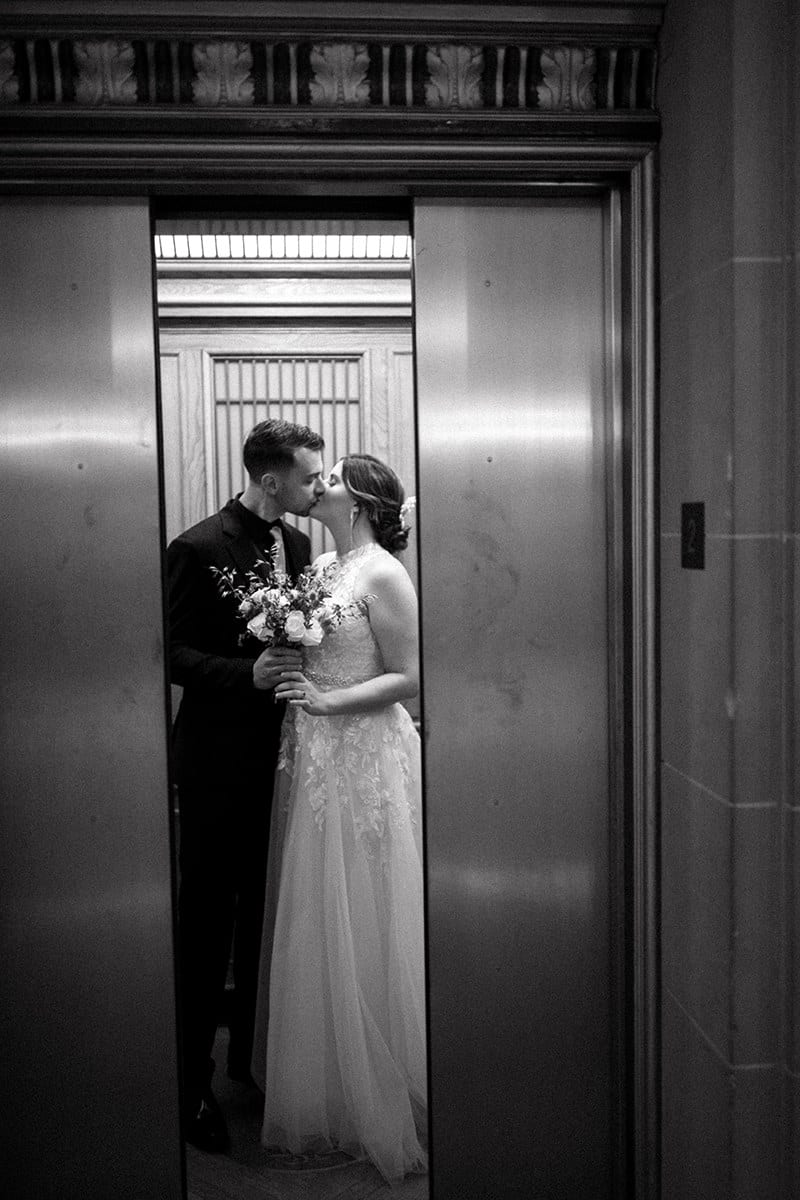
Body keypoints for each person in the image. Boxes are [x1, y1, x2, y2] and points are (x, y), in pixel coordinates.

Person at [251, 453, 427, 1183]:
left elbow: (412, 676)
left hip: (365, 757)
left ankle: (387, 1088)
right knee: (321, 912)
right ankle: (329, 1084)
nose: (317, 482)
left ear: (357, 500)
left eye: (331, 478)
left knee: (369, 908)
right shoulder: (322, 567)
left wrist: (329, 702)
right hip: (316, 754)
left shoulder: (383, 572)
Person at [167, 418, 325, 1152]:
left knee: (270, 910)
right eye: (306, 477)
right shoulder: (196, 547)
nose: (314, 487)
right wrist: (245, 674)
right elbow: (171, 653)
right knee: (205, 923)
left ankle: (251, 1062)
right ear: (271, 480)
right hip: (212, 767)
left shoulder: (297, 547)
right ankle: (190, 1083)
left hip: (284, 762)